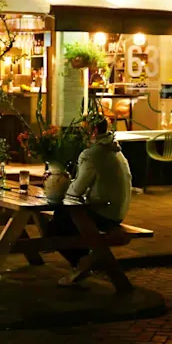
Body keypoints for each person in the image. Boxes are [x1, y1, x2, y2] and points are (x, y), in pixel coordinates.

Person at [47, 117, 132, 285]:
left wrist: (58, 183)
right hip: (117, 211)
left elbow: (74, 192)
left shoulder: (92, 154)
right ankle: (83, 259)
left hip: (104, 213)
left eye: (83, 130)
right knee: (67, 219)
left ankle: (81, 262)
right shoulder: (115, 150)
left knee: (58, 222)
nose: (81, 135)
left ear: (93, 131)